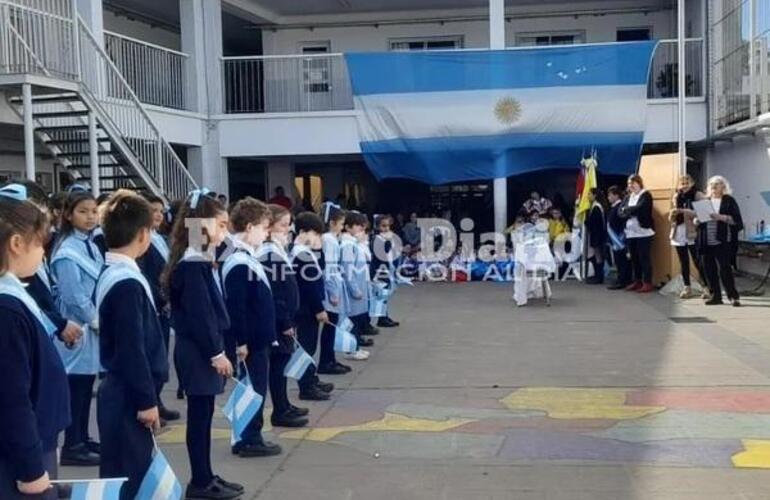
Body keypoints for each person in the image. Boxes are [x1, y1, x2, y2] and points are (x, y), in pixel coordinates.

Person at [163, 190, 243, 499]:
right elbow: (201, 316)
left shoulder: (199, 257)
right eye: (220, 224)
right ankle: (199, 481)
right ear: (200, 224)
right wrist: (216, 353)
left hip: (200, 350)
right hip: (198, 352)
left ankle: (206, 475)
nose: (225, 231)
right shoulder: (193, 263)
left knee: (204, 416)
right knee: (199, 419)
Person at [95, 191, 168, 499]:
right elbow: (131, 348)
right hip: (128, 395)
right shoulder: (126, 281)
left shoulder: (115, 271)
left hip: (122, 392)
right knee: (130, 477)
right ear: (142, 234)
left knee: (124, 472)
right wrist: (146, 401)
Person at [0, 184, 70, 500]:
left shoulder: (13, 297)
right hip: (19, 456)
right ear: (16, 243)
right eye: (40, 244)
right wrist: (31, 470)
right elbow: (11, 398)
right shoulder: (7, 309)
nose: (44, 253)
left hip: (30, 442)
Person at [221, 198, 282, 458]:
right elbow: (238, 307)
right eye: (263, 227)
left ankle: (248, 434)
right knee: (254, 390)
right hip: (252, 341)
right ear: (248, 227)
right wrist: (241, 341)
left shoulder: (246, 256)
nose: (266, 233)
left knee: (255, 387)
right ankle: (249, 437)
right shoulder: (238, 261)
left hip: (258, 338)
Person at [50, 190, 103, 466]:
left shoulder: (91, 245)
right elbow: (73, 294)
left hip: (89, 329)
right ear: (69, 215)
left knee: (85, 385)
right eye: (83, 211)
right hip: (76, 328)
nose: (90, 216)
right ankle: (73, 444)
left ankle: (82, 436)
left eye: (94, 210)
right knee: (76, 388)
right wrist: (94, 318)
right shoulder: (67, 250)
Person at [256, 204, 309, 428]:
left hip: (284, 317)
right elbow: (276, 290)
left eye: (289, 225)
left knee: (283, 362)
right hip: (279, 320)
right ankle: (279, 409)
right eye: (283, 225)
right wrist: (285, 320)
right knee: (278, 364)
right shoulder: (269, 253)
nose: (288, 230)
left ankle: (284, 404)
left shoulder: (278, 249)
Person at [138, 194, 179, 423]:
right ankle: (150, 401)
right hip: (154, 303)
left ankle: (158, 399)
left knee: (161, 356)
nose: (158, 215)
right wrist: (162, 295)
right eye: (153, 210)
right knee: (151, 357)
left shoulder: (158, 238)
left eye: (161, 211)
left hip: (163, 305)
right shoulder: (142, 240)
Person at [291, 212, 335, 400]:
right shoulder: (301, 254)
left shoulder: (306, 252)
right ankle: (306, 386)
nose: (318, 238)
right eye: (314, 234)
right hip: (306, 308)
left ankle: (311, 379)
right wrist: (319, 309)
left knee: (310, 346)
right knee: (306, 348)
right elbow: (309, 285)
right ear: (302, 232)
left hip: (308, 307)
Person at [317, 203, 352, 375]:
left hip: (333, 283)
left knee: (332, 326)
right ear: (331, 222)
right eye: (340, 224)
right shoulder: (329, 240)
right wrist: (332, 292)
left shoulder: (328, 239)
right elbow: (329, 267)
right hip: (332, 285)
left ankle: (330, 359)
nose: (341, 227)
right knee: (331, 326)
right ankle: (326, 361)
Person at [698, 176, 744, 307]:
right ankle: (716, 296)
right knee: (709, 269)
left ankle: (733, 296)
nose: (713, 186)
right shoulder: (705, 201)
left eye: (717, 184)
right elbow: (700, 219)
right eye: (711, 184)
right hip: (706, 239)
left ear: (723, 187)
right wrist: (697, 220)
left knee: (725, 269)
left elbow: (737, 220)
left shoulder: (729, 200)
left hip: (723, 239)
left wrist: (721, 217)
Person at [340, 212, 374, 360]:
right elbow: (348, 269)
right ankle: (351, 349)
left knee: (356, 319)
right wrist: (354, 289)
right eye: (358, 227)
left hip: (360, 285)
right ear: (348, 227)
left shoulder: (354, 243)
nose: (361, 230)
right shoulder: (348, 245)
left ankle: (356, 346)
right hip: (353, 288)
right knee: (352, 320)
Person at [669, 175, 706, 299]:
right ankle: (687, 287)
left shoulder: (698, 195)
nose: (684, 186)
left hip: (692, 231)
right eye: (682, 183)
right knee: (683, 262)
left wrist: (685, 211)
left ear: (692, 183)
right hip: (678, 230)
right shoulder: (676, 196)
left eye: (687, 183)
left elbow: (704, 213)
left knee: (697, 260)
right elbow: (672, 214)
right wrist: (673, 214)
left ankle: (706, 287)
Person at [619, 175, 655, 293]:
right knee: (634, 258)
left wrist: (627, 210)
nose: (631, 186)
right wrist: (628, 211)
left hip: (643, 233)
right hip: (631, 233)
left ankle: (647, 282)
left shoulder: (645, 195)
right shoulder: (628, 197)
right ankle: (637, 280)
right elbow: (620, 211)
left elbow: (641, 208)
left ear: (639, 183)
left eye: (633, 183)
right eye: (629, 184)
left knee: (644, 258)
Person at [371, 214, 400, 328]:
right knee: (381, 295)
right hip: (379, 271)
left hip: (386, 269)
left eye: (388, 226)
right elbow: (381, 254)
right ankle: (381, 318)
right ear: (378, 227)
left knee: (385, 294)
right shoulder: (377, 239)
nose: (386, 228)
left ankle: (384, 316)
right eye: (383, 226)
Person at [606, 186, 632, 290]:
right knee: (618, 260)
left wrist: (621, 236)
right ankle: (620, 278)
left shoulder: (620, 206)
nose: (608, 197)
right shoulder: (613, 206)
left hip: (620, 238)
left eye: (610, 195)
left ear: (616, 195)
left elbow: (622, 221)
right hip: (614, 238)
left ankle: (624, 280)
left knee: (623, 260)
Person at [585, 188, 608, 285]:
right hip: (596, 235)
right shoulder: (595, 206)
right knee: (596, 255)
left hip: (597, 235)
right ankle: (597, 275)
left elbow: (594, 223)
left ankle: (599, 277)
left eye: (590, 194)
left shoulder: (597, 207)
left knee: (598, 256)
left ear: (595, 195)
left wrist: (586, 221)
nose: (588, 196)